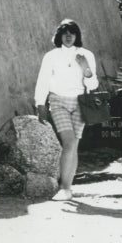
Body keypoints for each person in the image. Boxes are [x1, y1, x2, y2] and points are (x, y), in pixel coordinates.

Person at [34, 18, 98, 201]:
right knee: (69, 142)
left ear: (77, 35)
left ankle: (67, 188)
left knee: (73, 145)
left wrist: (85, 68)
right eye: (65, 33)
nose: (68, 36)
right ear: (59, 36)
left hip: (80, 103)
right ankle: (64, 188)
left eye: (72, 33)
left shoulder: (86, 54)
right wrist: (40, 103)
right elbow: (43, 80)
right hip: (58, 101)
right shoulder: (51, 56)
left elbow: (93, 85)